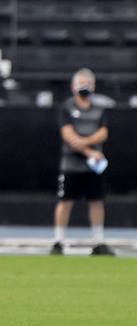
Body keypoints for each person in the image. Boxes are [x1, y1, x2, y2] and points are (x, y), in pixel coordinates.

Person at [50, 68, 115, 256]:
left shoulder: (99, 108)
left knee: (96, 200)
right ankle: (59, 241)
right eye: (81, 83)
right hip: (72, 163)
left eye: (88, 83)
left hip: (94, 164)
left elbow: (103, 133)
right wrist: (88, 151)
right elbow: (68, 136)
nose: (84, 87)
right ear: (73, 86)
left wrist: (84, 143)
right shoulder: (67, 108)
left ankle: (98, 241)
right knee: (66, 201)